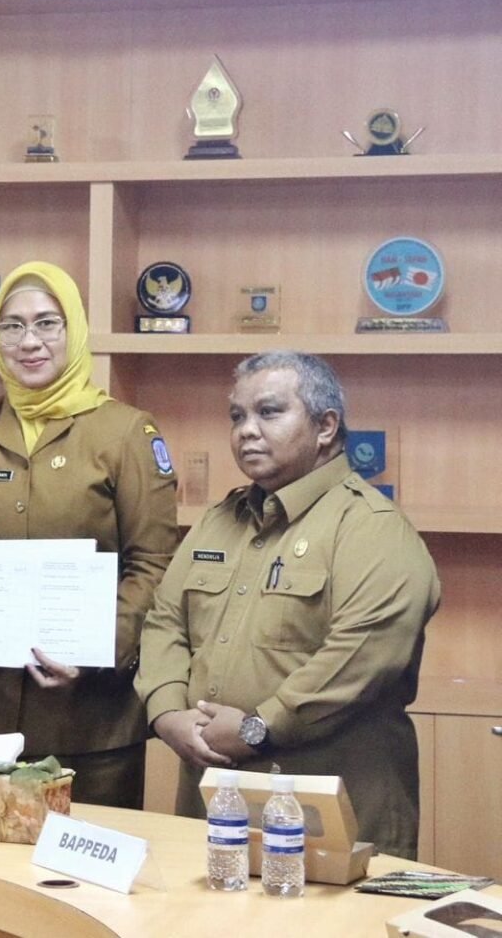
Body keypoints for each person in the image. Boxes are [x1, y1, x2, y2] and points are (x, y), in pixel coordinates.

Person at [135, 350, 439, 859]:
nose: (246, 431)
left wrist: (257, 728)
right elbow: (166, 620)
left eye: (269, 412)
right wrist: (167, 712)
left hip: (330, 814)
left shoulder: (373, 527)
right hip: (214, 802)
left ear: (325, 426)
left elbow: (359, 660)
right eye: (237, 416)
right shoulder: (218, 520)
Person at [0, 261, 178, 809]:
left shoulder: (126, 431)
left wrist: (97, 648)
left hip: (92, 721)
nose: (29, 341)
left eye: (47, 324)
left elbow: (153, 563)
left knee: (85, 882)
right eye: (11, 326)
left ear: (74, 331)